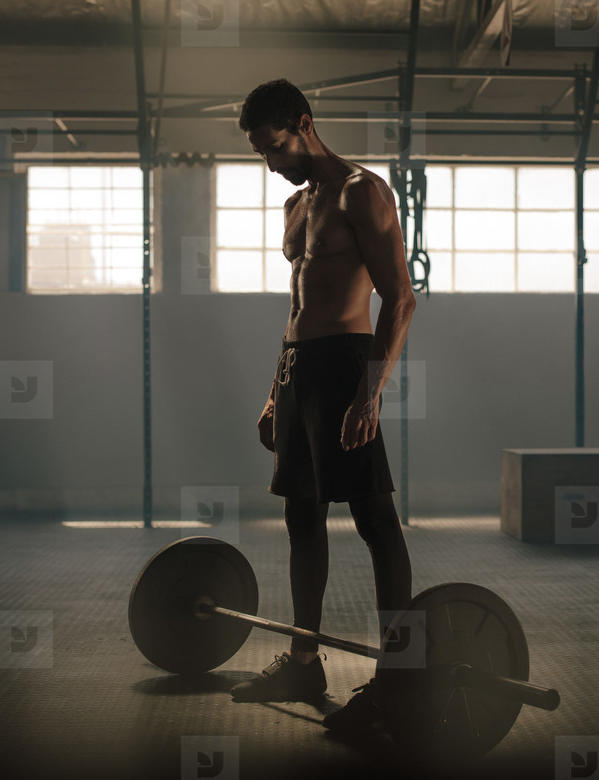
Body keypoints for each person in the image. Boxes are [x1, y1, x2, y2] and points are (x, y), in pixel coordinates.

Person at [230, 79, 416, 736]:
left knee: (375, 521)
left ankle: (399, 681)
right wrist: (275, 390)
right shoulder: (296, 206)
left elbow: (401, 298)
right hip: (299, 369)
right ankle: (305, 663)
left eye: (275, 147)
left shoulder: (362, 191)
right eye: (260, 152)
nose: (270, 163)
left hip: (345, 364)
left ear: (304, 124)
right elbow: (296, 305)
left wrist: (370, 391)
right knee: (301, 518)